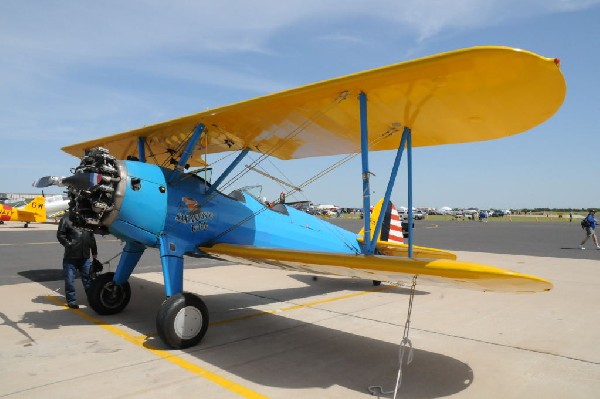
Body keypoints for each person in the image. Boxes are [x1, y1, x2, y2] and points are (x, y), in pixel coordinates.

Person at [57, 214, 98, 308]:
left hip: (85, 256)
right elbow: (60, 234)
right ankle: (71, 300)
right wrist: (68, 244)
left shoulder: (88, 219)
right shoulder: (66, 219)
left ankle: (92, 299)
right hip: (71, 256)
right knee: (70, 280)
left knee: (88, 279)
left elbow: (91, 237)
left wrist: (94, 253)